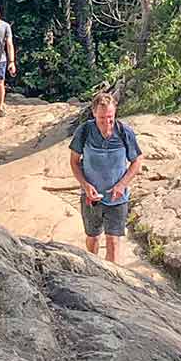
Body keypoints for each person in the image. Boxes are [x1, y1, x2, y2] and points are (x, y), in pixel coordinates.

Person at [67, 89, 142, 264]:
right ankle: (94, 268)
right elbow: (74, 162)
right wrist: (85, 186)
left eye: (110, 117)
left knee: (113, 242)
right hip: (91, 198)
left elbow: (137, 161)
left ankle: (111, 281)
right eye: (102, 118)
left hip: (118, 198)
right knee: (92, 238)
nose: (107, 122)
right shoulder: (84, 131)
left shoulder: (124, 132)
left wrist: (122, 185)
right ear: (93, 113)